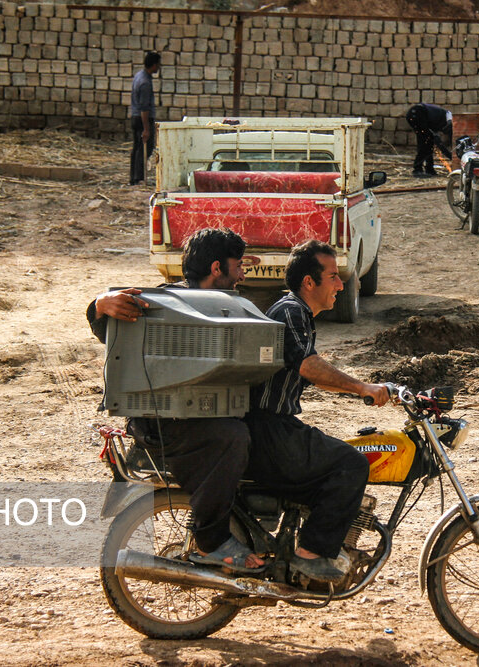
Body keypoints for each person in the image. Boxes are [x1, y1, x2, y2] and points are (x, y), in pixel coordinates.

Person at [86, 228, 265, 573]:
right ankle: (211, 539)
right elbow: (112, 328)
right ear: (217, 268)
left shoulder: (230, 308)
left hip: (202, 414)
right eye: (238, 265)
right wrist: (99, 305)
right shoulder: (161, 304)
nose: (243, 273)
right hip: (162, 423)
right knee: (233, 438)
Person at [243, 240, 390, 582]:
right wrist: (362, 388)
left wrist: (364, 390)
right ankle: (310, 554)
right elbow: (308, 366)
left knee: (330, 464)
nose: (341, 284)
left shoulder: (301, 316)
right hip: (267, 428)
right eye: (333, 276)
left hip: (275, 425)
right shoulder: (291, 311)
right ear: (309, 282)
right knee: (351, 463)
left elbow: (311, 372)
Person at [130, 51, 161, 186]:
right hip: (142, 119)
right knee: (145, 148)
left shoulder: (139, 76)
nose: (159, 67)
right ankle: (139, 177)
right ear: (153, 65)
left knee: (137, 147)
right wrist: (147, 129)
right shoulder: (145, 83)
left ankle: (134, 177)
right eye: (158, 65)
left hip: (135, 117)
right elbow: (144, 108)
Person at [405, 102, 452, 177]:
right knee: (426, 143)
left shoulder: (443, 116)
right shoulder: (444, 118)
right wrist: (450, 156)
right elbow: (440, 143)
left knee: (428, 143)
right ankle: (417, 170)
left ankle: (429, 169)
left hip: (413, 114)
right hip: (419, 113)